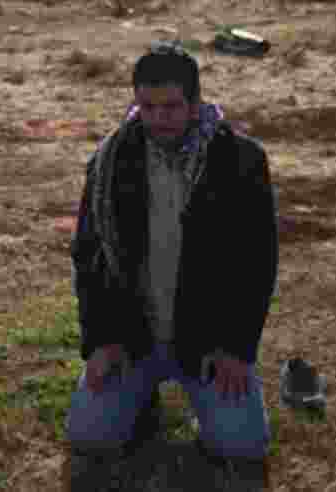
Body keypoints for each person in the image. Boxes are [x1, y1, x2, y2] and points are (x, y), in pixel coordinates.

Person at [66, 40, 277, 488]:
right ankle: (142, 404)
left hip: (208, 342)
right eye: (147, 106)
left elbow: (257, 264)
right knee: (90, 438)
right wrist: (101, 341)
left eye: (171, 106)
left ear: (196, 103)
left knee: (243, 447)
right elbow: (89, 258)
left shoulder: (241, 162)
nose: (159, 118)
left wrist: (237, 349)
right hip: (132, 337)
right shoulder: (109, 162)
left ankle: (205, 404)